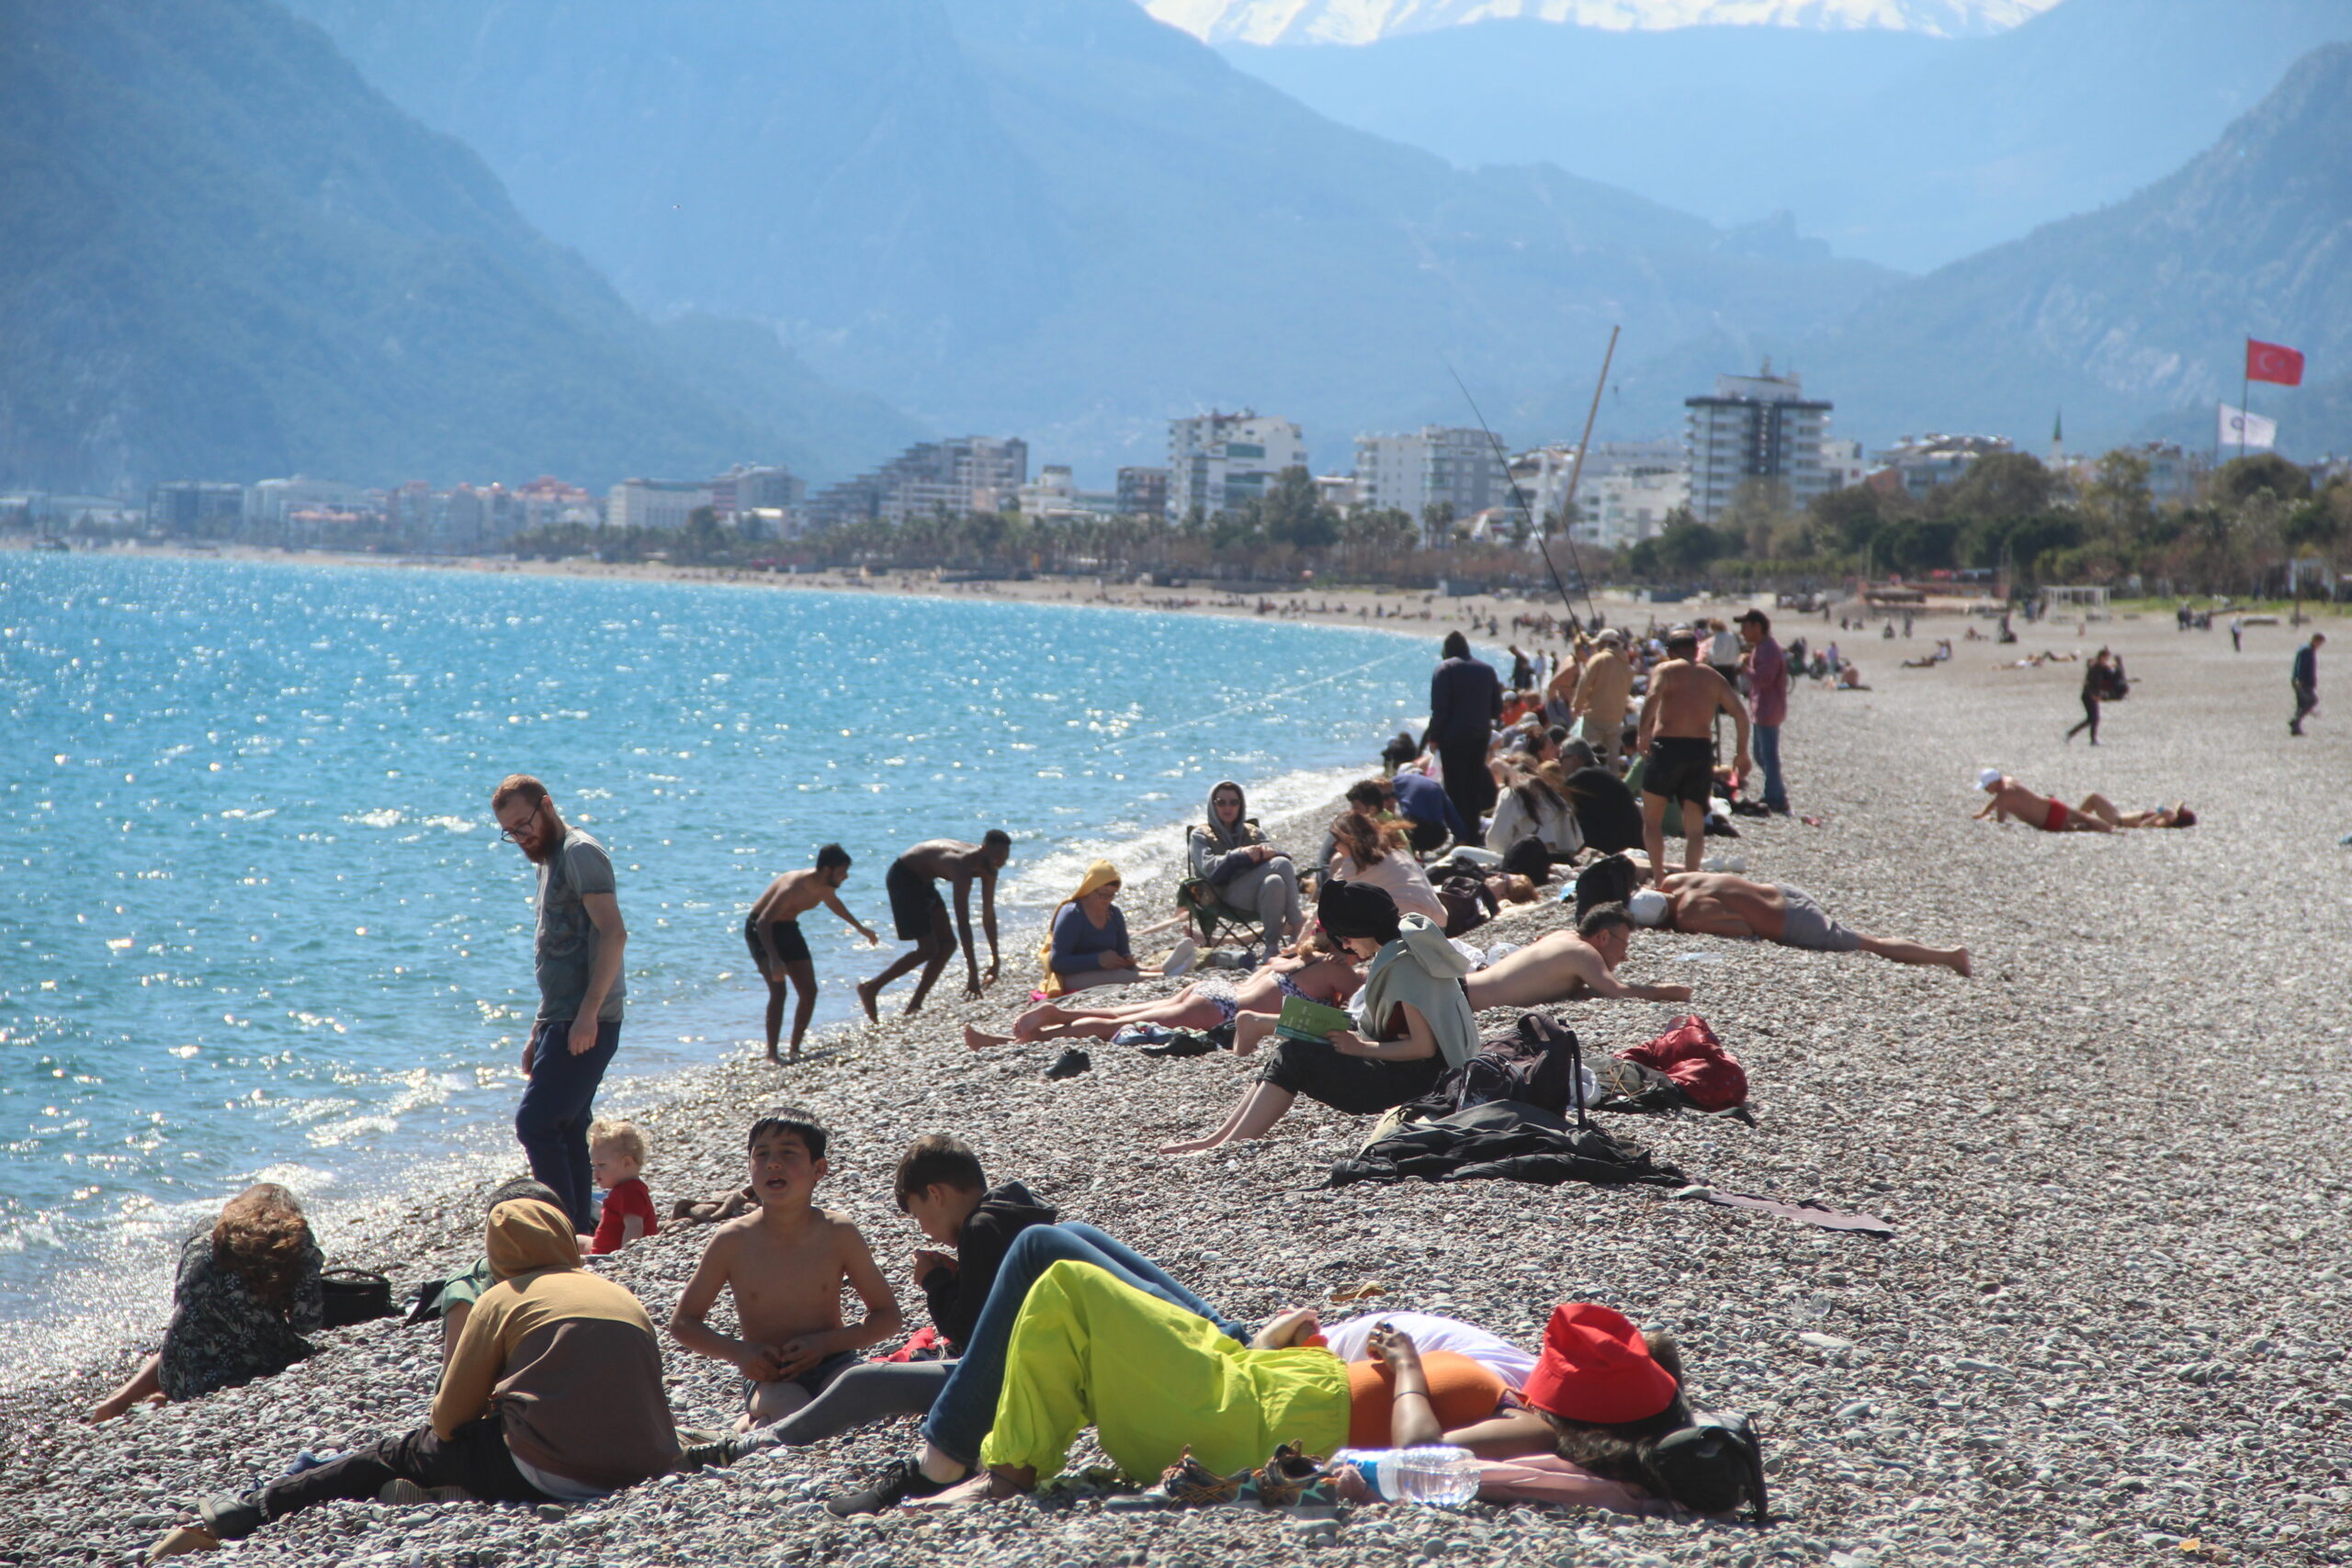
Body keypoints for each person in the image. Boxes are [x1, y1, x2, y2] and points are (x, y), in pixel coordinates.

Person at [148, 1197, 679, 1562]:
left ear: (498, 1255)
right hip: (648, 1465)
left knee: (396, 1452)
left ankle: (240, 1513)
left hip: (554, 1473)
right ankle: (451, 1490)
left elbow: (447, 1419)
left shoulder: (499, 1298)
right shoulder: (618, 1293)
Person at [966, 1278, 1701, 1506]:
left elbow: (1426, 1456)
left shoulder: (1540, 1434)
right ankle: (1003, 1460)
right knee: (1072, 1279)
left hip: (1248, 1418)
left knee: (1064, 1283)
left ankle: (1006, 1472)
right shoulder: (1528, 1416)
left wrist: (1410, 1364)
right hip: (1259, 1384)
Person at [1159, 880, 1477, 1155]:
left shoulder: (1406, 968)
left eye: (1344, 939)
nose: (1345, 947)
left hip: (1421, 1085)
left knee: (1296, 1055)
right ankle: (1218, 1139)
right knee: (1294, 1048)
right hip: (1414, 1073)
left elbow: (1423, 1048)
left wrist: (1361, 1048)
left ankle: (1227, 1143)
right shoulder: (1410, 946)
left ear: (1359, 929)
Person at [668, 1113, 903, 1433]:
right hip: (769, 1374)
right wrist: (740, 1352)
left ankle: (756, 1425)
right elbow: (683, 1323)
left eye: (788, 1153)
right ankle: (754, 1420)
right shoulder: (732, 1241)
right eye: (761, 1154)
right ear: (749, 1167)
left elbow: (887, 1316)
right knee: (794, 1412)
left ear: (818, 1169)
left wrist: (825, 1344)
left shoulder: (838, 1233)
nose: (773, 1164)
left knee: (858, 1396)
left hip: (835, 1359)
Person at [493, 773, 628, 1234]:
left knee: (536, 1124)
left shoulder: (579, 852)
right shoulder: (548, 860)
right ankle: (577, 1234)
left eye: (523, 823)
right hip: (563, 1017)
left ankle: (560, 1233)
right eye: (510, 831)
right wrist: (540, 1029)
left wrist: (589, 1014)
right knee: (567, 1126)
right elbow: (559, 950)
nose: (519, 836)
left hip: (587, 1018)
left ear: (546, 805)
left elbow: (614, 933)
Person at [85, 1183, 323, 1424]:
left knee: (194, 1326)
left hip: (177, 1373)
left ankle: (124, 1398)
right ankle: (161, 1398)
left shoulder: (207, 1228)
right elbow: (307, 1322)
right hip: (243, 1369)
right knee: (273, 1342)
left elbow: (185, 1301)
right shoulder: (295, 1239)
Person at [968, 942, 1363, 1051]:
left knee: (1121, 1011)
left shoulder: (1297, 956)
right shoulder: (1336, 971)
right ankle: (1026, 1039)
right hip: (1221, 1009)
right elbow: (1363, 1004)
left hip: (1215, 991)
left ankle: (1060, 1011)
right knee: (1114, 1028)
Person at [1626, 875, 1970, 976]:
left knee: (1871, 943)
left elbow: (1744, 930)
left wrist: (1688, 929)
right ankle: (1944, 955)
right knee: (1866, 937)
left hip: (1792, 922)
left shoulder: (1688, 916)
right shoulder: (1675, 880)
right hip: (1784, 891)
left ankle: (1948, 956)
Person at [744, 844, 878, 1062]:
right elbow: (763, 922)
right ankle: (772, 1054)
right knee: (779, 991)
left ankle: (795, 1049)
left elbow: (834, 903)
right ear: (827, 869)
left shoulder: (825, 885)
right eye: (842, 871)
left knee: (809, 991)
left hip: (788, 928)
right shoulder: (792, 887)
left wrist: (860, 928)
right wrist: (775, 960)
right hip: (762, 931)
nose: (846, 876)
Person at [856, 832, 1012, 1020]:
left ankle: (915, 1005)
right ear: (984, 849)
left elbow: (988, 914)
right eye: (996, 856)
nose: (1000, 862)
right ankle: (870, 988)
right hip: (903, 877)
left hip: (925, 880)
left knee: (947, 945)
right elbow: (963, 923)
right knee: (928, 949)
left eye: (1004, 858)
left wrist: (996, 960)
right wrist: (973, 975)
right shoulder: (961, 866)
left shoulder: (991, 867)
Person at [1635, 630, 1750, 882]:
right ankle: (1690, 881)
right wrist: (1741, 753)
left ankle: (1658, 879)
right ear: (1697, 650)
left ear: (1670, 652)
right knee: (1695, 828)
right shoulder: (1713, 677)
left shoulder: (1665, 670)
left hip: (1667, 749)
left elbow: (1653, 696)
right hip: (1700, 751)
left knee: (1653, 821)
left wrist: (1643, 731)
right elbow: (1741, 715)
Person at [1460, 904, 1694, 1009]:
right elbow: (1617, 992)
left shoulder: (1562, 936)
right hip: (1461, 1001)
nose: (1625, 957)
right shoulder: (1583, 952)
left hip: (1462, 987)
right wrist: (1665, 992)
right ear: (1603, 936)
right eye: (1624, 946)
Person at [1186, 781, 1304, 959]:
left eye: (1234, 802)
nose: (1228, 807)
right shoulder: (1200, 835)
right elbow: (1209, 868)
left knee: (1274, 881)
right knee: (1282, 865)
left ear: (1241, 805)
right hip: (1222, 896)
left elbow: (1276, 852)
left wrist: (1264, 853)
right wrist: (1239, 855)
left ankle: (1272, 948)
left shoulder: (1252, 832)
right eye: (1221, 802)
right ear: (1213, 804)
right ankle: (1298, 929)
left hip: (1257, 895)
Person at [1429, 631, 1504, 834]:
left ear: (1446, 651)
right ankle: (1472, 830)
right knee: (1473, 783)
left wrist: (1434, 736)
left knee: (1455, 787)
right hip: (1480, 736)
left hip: (1452, 738)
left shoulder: (1444, 669)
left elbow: (1440, 709)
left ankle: (1461, 834)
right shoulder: (1487, 670)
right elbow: (1497, 708)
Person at [1329, 811, 1448, 925]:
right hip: (1439, 920)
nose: (1334, 846)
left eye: (1337, 840)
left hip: (1414, 928)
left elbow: (1326, 903)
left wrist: (1310, 932)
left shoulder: (1356, 866)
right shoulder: (1396, 851)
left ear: (1349, 839)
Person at [1037, 860, 1136, 996]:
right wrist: (1097, 960)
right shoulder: (1073, 914)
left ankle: (1168, 971)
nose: (1107, 900)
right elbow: (1058, 962)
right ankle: (1166, 975)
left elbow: (1123, 950)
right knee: (1125, 978)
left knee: (1132, 972)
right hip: (1071, 975)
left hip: (1108, 971)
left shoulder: (1114, 914)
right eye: (1103, 895)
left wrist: (1126, 959)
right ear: (1090, 889)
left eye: (1112, 895)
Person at [1736, 610, 1790, 815]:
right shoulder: (1762, 647)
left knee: (1768, 756)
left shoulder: (1768, 649)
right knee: (1761, 754)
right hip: (1763, 709)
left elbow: (1764, 679)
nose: (1742, 632)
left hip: (1769, 709)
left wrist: (1744, 668)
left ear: (1757, 627)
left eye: (1745, 627)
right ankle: (1776, 792)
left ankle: (1775, 797)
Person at [1485, 758, 1582, 863]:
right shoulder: (1556, 798)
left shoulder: (1510, 794)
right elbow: (1578, 840)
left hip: (1525, 864)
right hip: (1562, 863)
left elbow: (1495, 842)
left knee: (1464, 851)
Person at [584, 1120, 659, 1256]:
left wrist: (625, 1257)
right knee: (578, 1240)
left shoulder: (629, 1192)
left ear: (627, 1163)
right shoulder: (626, 1189)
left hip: (606, 1256)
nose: (595, 1171)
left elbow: (634, 1226)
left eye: (602, 1165)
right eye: (593, 1165)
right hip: (603, 1249)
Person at [1973, 769, 2112, 833]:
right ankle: (2110, 830)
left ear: (1994, 783)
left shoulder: (2003, 798)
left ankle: (2106, 830)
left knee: (2075, 828)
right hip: (2052, 806)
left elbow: (2001, 822)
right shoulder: (2009, 781)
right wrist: (1983, 812)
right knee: (2085, 818)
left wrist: (1988, 819)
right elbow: (1995, 801)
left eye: (1986, 786)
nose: (1985, 790)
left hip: (2047, 823)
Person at [1572, 630, 1634, 770]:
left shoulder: (1599, 659)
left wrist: (1577, 706)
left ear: (1605, 643)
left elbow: (1584, 683)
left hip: (1595, 717)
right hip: (1616, 720)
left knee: (1590, 758)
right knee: (1612, 762)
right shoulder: (1627, 665)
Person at [2064, 649, 2112, 745]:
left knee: (2091, 719)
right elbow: (2088, 683)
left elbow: (2107, 679)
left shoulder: (2099, 667)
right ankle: (2092, 740)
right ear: (2102, 657)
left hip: (2091, 695)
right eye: (2106, 658)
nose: (2107, 661)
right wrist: (2093, 695)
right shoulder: (2096, 668)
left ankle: (2071, 733)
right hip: (2088, 696)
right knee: (2094, 718)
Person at [2075, 795, 2198, 829]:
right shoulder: (2170, 816)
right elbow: (2179, 800)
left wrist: (2160, 814)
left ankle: (2075, 819)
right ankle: (2078, 819)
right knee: (2095, 799)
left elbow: (2142, 826)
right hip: (2119, 815)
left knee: (2094, 798)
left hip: (2117, 820)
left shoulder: (2161, 821)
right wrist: (2174, 810)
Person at [2290, 631, 2323, 736]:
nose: (2320, 646)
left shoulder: (2306, 648)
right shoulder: (2307, 650)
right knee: (2311, 700)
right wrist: (2299, 680)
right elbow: (2301, 666)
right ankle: (2295, 721)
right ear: (2316, 641)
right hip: (2303, 682)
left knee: (2301, 704)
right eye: (2320, 643)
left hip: (2301, 681)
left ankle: (2296, 727)